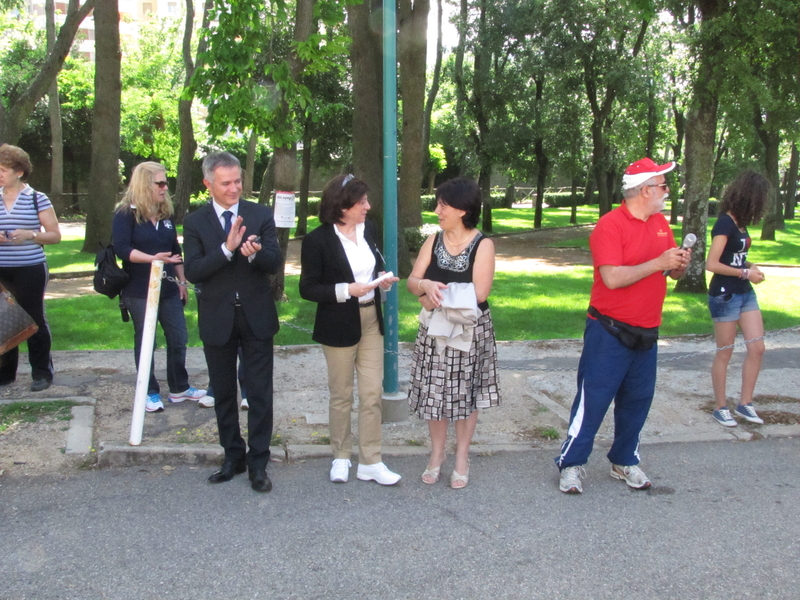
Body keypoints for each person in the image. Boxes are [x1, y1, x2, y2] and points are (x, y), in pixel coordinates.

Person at [555, 158, 691, 494]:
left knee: (638, 399)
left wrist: (677, 266)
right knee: (594, 400)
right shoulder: (610, 225)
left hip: (648, 329)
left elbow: (668, 274)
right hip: (609, 330)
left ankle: (624, 459)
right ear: (645, 190)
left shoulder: (661, 223)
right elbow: (612, 278)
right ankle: (571, 464)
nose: (666, 192)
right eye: (662, 186)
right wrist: (659, 262)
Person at [183, 152, 281, 493]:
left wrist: (253, 252)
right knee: (223, 393)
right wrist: (226, 250)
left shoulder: (259, 214)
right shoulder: (195, 222)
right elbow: (193, 270)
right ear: (208, 184)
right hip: (217, 319)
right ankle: (232, 457)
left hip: (256, 318)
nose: (234, 188)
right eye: (226, 183)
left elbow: (274, 263)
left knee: (259, 394)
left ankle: (258, 462)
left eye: (238, 181)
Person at [299, 174, 401, 485]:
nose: (368, 207)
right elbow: (308, 288)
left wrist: (381, 278)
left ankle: (371, 460)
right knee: (341, 395)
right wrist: (346, 290)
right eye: (362, 203)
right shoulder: (317, 240)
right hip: (338, 323)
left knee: (371, 394)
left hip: (371, 319)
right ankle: (340, 455)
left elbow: (374, 264)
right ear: (342, 207)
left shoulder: (367, 228)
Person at [406, 177, 500, 489]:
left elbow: (481, 293)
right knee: (434, 393)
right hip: (434, 330)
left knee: (464, 395)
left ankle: (461, 456)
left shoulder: (483, 244)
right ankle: (436, 455)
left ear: (462, 209)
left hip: (468, 331)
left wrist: (430, 296)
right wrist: (424, 287)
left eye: (443, 205)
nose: (437, 210)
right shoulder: (432, 240)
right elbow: (412, 280)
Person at [113, 162, 206, 412]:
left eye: (166, 183)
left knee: (179, 337)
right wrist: (153, 259)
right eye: (161, 183)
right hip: (138, 289)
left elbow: (175, 250)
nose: (166, 188)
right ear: (145, 185)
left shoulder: (166, 214)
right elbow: (121, 249)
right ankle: (149, 390)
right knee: (146, 340)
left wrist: (182, 281)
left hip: (168, 289)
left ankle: (179, 388)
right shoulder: (125, 214)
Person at [705, 171, 768, 427]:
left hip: (744, 293)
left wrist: (750, 265)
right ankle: (720, 407)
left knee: (757, 347)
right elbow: (712, 263)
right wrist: (745, 272)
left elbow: (734, 256)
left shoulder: (741, 224)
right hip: (725, 295)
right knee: (725, 351)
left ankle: (745, 403)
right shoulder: (724, 223)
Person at [0, 144, 61, 391]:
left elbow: (55, 235)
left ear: (20, 172)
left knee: (33, 318)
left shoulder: (37, 198)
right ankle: (5, 374)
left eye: (3, 169)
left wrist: (31, 234)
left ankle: (42, 373)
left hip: (30, 267)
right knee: (4, 318)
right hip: (2, 269)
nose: (0, 174)